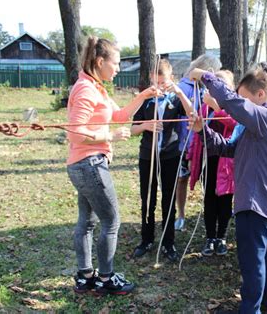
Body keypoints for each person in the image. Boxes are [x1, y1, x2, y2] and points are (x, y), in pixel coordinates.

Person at [189, 66, 267, 313]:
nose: (241, 104)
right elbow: (227, 149)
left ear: (261, 95)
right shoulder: (255, 127)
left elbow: (232, 103)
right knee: (266, 256)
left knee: (253, 261)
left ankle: (251, 309)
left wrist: (206, 76)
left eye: (245, 99)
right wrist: (203, 131)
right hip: (263, 199)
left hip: (256, 202)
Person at [66, 36, 160, 295]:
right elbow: (75, 133)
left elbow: (119, 116)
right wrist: (110, 136)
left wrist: (143, 95)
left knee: (87, 222)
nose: (118, 68)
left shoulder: (96, 87)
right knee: (111, 221)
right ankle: (106, 279)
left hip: (84, 164)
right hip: (89, 164)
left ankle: (85, 277)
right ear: (100, 61)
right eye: (115, 63)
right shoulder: (86, 89)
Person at [131, 59, 194, 262]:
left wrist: (179, 92)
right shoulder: (145, 99)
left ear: (171, 79)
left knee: (169, 200)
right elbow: (132, 129)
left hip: (170, 154)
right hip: (148, 155)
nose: (159, 86)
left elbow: (192, 114)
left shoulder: (175, 99)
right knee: (148, 200)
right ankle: (146, 240)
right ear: (151, 80)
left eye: (163, 82)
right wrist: (145, 125)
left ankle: (168, 243)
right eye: (156, 82)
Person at [188, 70, 237, 256]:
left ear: (229, 88)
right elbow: (196, 134)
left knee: (225, 201)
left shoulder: (234, 107)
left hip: (227, 162)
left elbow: (234, 124)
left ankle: (221, 237)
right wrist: (190, 156)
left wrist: (218, 109)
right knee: (209, 199)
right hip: (208, 161)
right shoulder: (204, 107)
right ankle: (210, 237)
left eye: (221, 84)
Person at [174, 54, 222, 231]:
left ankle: (208, 213)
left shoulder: (204, 89)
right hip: (184, 144)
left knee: (205, 179)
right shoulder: (183, 87)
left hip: (203, 144)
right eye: (213, 72)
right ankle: (180, 214)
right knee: (182, 179)